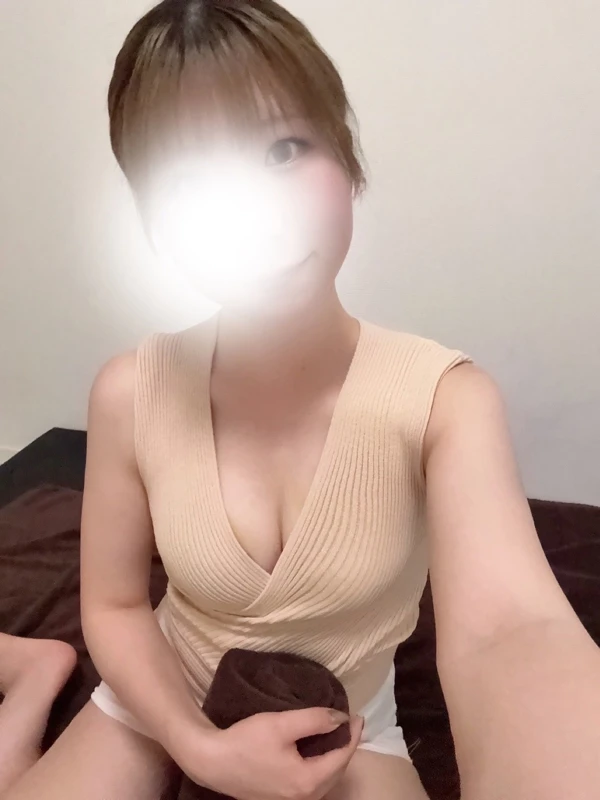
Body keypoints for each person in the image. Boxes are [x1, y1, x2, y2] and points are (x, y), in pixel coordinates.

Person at [1, 0, 599, 798]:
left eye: (285, 148)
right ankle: (34, 679)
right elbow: (112, 605)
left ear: (345, 157)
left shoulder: (445, 402)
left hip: (348, 722)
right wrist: (196, 746)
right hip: (166, 695)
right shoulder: (129, 392)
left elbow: (510, 631)